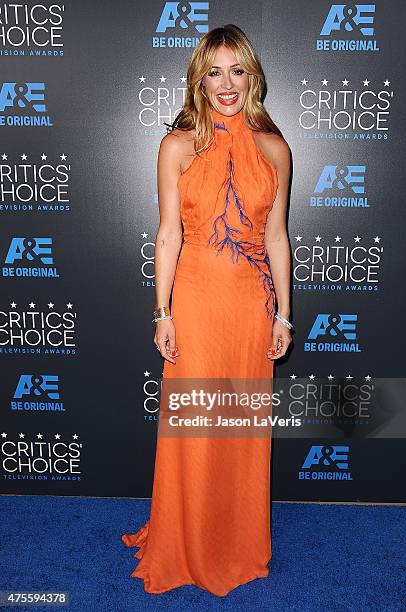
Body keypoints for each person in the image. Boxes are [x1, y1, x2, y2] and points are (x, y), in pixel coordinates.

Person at [121, 24, 292, 597]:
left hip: (250, 305)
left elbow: (278, 237)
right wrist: (161, 312)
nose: (226, 84)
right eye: (214, 71)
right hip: (193, 301)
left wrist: (284, 316)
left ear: (252, 78)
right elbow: (168, 235)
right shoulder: (176, 146)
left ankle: (237, 540)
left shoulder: (274, 149)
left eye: (237, 70)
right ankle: (186, 539)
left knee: (239, 427)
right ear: (200, 78)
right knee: (194, 425)